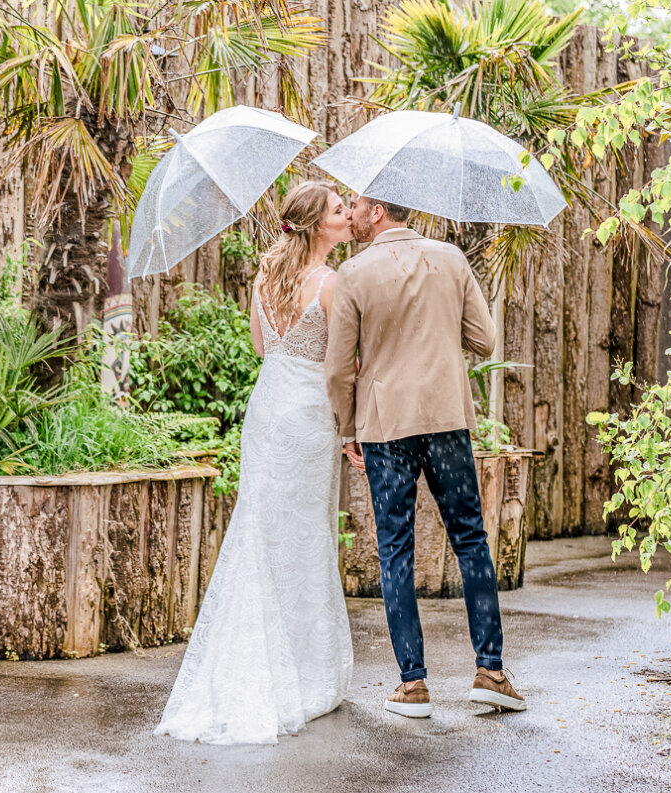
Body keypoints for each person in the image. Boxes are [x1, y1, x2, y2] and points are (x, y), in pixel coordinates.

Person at [155, 182, 355, 744]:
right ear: (317, 225)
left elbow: (263, 350)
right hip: (311, 414)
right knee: (305, 536)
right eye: (339, 212)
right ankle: (306, 672)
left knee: (263, 531)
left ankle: (260, 658)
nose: (347, 217)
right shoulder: (332, 284)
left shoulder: (267, 278)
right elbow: (342, 362)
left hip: (268, 409)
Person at [324, 194, 526, 718]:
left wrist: (347, 428)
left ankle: (412, 686)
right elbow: (485, 339)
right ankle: (491, 671)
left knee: (395, 549)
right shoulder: (452, 259)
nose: (353, 213)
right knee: (471, 538)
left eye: (358, 206)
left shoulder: (354, 273)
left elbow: (339, 368)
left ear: (378, 212)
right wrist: (436, 330)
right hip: (446, 421)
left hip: (385, 427)